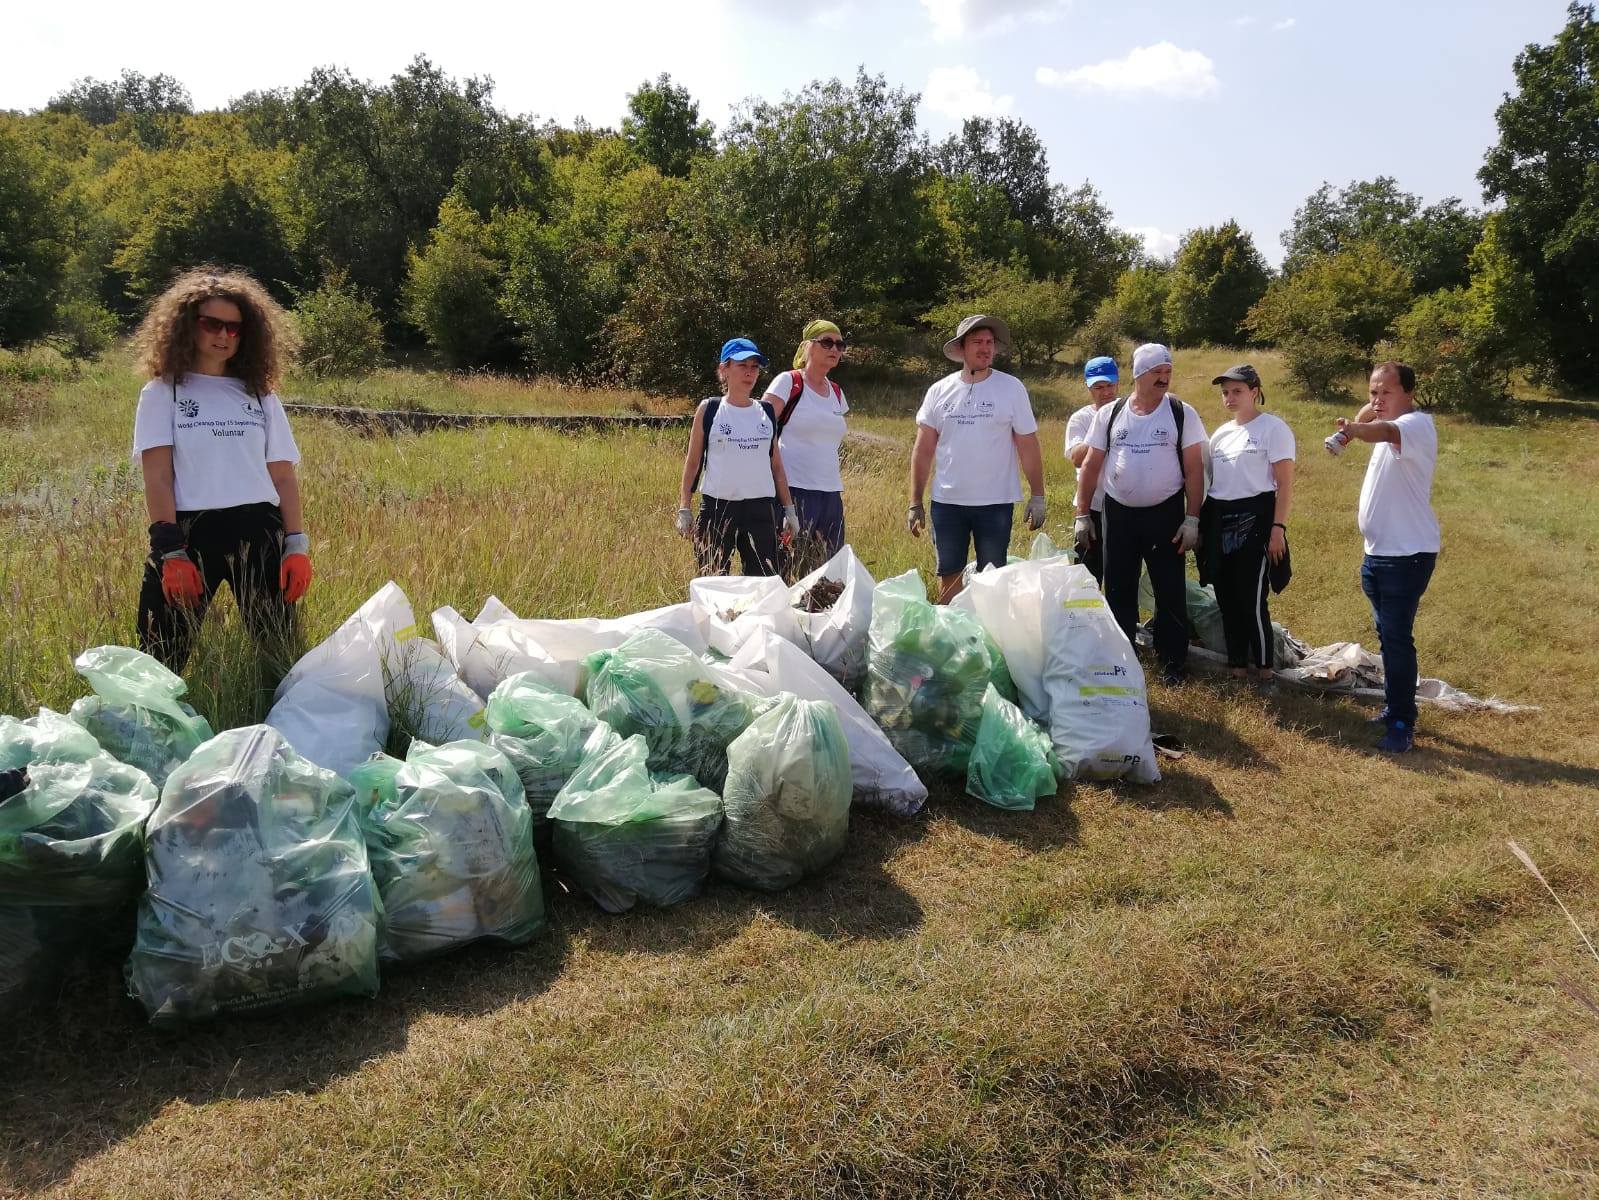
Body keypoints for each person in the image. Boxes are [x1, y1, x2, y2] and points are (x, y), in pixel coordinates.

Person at [131, 267, 312, 672]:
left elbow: (283, 476)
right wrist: (170, 550)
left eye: (235, 328)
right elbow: (158, 477)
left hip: (260, 530)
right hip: (190, 533)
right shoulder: (163, 392)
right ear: (186, 325)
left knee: (280, 655)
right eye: (213, 324)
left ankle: (281, 725)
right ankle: (150, 729)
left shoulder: (260, 395)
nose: (224, 336)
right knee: (160, 654)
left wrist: (297, 545)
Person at [1072, 343, 1207, 684]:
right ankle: (1122, 661)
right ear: (1138, 375)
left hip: (1166, 515)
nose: (1163, 379)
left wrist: (1192, 519)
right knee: (1118, 588)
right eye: (1156, 373)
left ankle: (1173, 663)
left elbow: (1194, 469)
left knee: (1169, 589)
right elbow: (1090, 467)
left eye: (1167, 372)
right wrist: (1083, 515)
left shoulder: (1181, 412)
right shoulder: (1111, 414)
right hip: (1119, 516)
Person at [1324, 361, 1439, 753]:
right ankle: (1394, 708)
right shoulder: (1383, 420)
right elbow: (1373, 418)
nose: (1377, 400)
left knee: (1396, 639)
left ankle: (1403, 722)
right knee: (1388, 638)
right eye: (1373, 393)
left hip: (1406, 555)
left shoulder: (1415, 426)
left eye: (1386, 393)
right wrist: (1364, 415)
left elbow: (1384, 429)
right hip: (1379, 554)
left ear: (1409, 393)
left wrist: (1354, 430)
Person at [907, 314, 1046, 603]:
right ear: (961, 348)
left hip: (994, 503)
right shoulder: (939, 391)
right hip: (947, 503)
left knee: (993, 578)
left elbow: (1028, 445)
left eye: (989, 343)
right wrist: (915, 502)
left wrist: (1038, 496)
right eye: (977, 342)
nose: (985, 348)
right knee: (949, 575)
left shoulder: (1011, 388)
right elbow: (923, 450)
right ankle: (953, 639)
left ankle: (988, 640)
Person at [1200, 364, 1295, 683]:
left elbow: (1284, 484)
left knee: (1252, 598)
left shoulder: (1273, 428)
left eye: (1237, 391)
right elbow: (1212, 483)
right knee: (1225, 595)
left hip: (1256, 518)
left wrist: (1277, 529)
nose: (1230, 397)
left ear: (1255, 392)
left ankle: (1266, 671)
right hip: (1219, 518)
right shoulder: (1221, 434)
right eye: (1225, 392)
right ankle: (1237, 667)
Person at [676, 337, 801, 576]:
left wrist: (789, 509)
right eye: (742, 365)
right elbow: (693, 463)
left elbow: (776, 465)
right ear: (724, 369)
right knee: (712, 579)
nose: (750, 372)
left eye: (754, 367)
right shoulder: (710, 409)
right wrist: (684, 507)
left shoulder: (765, 412)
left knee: (763, 581)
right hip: (718, 508)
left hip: (761, 510)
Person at [762, 319, 850, 568]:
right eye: (827, 342)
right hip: (793, 490)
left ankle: (820, 609)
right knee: (786, 565)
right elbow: (761, 428)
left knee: (827, 570)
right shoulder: (788, 382)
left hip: (830, 493)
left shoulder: (836, 392)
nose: (834, 349)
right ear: (808, 346)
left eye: (839, 344)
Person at [1065, 355, 1119, 582]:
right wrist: (1102, 426)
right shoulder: (1081, 419)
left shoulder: (1132, 412)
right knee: (1087, 578)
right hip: (1092, 508)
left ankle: (1123, 618)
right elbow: (1077, 458)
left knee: (1122, 574)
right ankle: (1086, 617)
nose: (1105, 392)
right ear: (1089, 388)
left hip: (1124, 508)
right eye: (1098, 387)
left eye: (1109, 385)